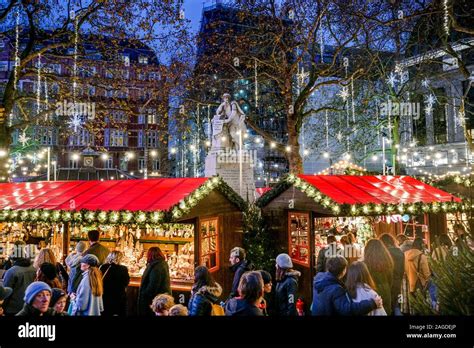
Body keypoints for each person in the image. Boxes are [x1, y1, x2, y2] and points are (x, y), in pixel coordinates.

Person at [311, 256, 382, 316]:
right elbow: (348, 310)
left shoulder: (319, 277)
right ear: (343, 271)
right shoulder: (336, 289)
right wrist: (372, 303)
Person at [363, 238, 394, 315]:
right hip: (386, 290)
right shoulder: (388, 262)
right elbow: (390, 280)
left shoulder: (365, 264)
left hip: (371, 292)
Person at [137, 247, 171, 316]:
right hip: (161, 298)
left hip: (154, 300)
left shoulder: (156, 266)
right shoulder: (162, 264)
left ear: (150, 255)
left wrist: (145, 293)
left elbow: (153, 285)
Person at [2, 251, 36, 315]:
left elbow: (5, 293)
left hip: (13, 309)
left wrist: (3, 307)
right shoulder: (34, 269)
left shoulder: (12, 271)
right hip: (29, 306)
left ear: (13, 260)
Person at [379, 233, 405, 315]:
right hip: (397, 282)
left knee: (386, 307)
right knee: (396, 305)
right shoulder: (400, 252)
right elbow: (402, 270)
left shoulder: (383, 253)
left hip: (386, 283)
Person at [99, 251, 130, 316]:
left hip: (105, 295)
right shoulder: (123, 269)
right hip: (118, 296)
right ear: (119, 258)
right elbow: (126, 282)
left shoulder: (103, 267)